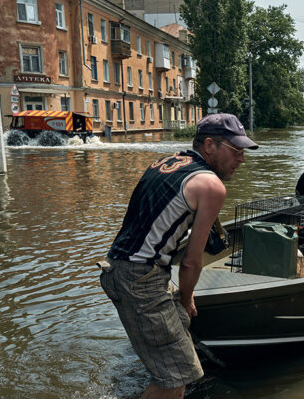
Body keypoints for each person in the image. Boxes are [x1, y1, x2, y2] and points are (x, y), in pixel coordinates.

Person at [98, 113, 258, 398]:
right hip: (140, 278)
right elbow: (191, 261)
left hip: (120, 267)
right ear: (210, 146)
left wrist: (185, 300)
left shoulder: (166, 163)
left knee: (182, 327)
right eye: (236, 150)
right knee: (176, 378)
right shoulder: (211, 186)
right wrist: (186, 298)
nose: (242, 159)